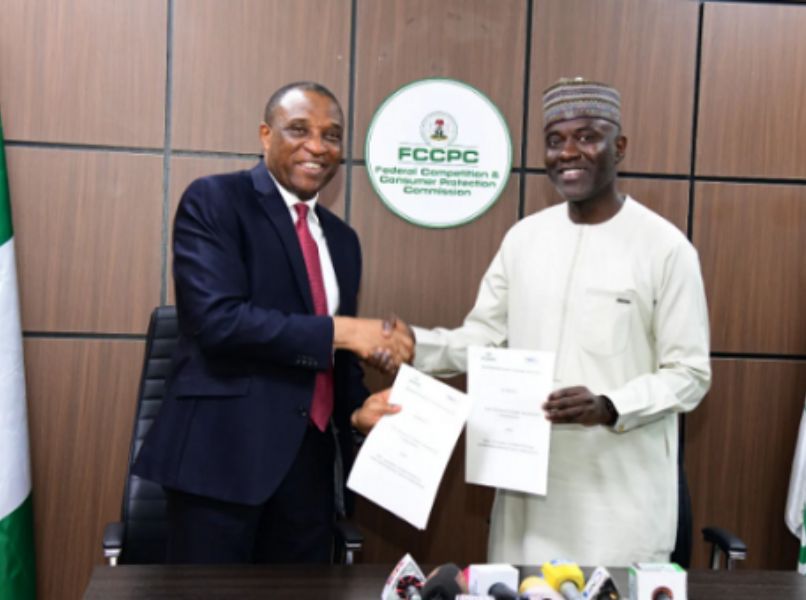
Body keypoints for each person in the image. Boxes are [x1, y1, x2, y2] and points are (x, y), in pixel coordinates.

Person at [403, 77, 711, 566]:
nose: (568, 151)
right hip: (527, 501)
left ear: (620, 147)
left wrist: (609, 405)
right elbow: (482, 339)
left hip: (619, 503)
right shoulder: (524, 239)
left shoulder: (664, 247)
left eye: (587, 136)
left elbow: (690, 375)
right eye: (554, 140)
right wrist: (411, 347)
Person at [133, 81, 411, 564]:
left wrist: (359, 409)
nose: (318, 147)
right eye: (299, 130)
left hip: (309, 476)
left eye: (332, 135)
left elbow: (334, 362)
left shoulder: (344, 241)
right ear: (265, 135)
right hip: (221, 464)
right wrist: (345, 330)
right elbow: (217, 322)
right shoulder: (215, 201)